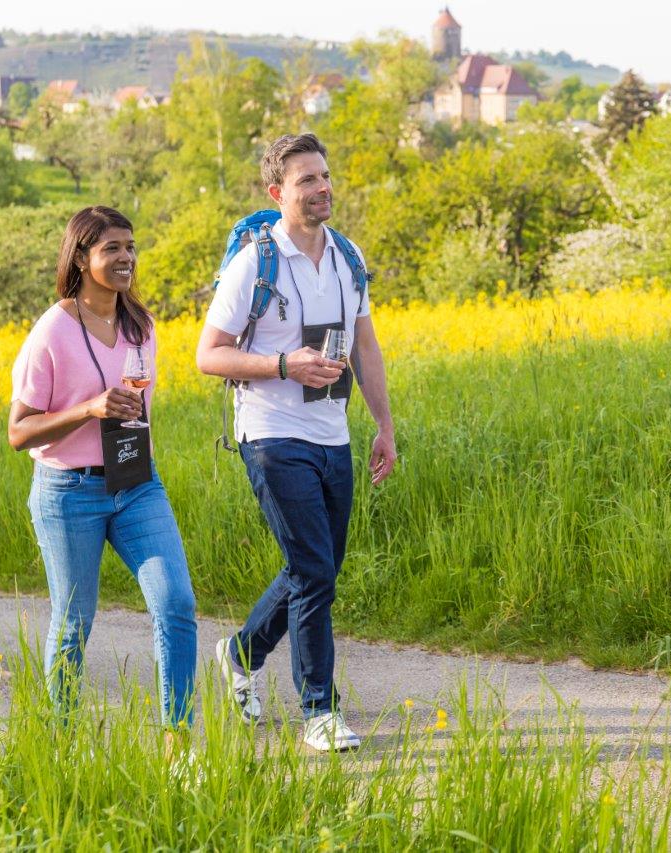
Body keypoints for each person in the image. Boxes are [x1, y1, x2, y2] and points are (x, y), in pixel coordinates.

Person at [196, 133, 397, 751]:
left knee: (318, 568)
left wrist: (385, 427)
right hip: (270, 435)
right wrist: (286, 364)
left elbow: (364, 346)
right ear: (277, 192)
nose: (322, 188)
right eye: (307, 179)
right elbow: (209, 355)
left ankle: (239, 654)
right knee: (314, 571)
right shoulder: (256, 263)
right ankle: (319, 711)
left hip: (331, 432)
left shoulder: (346, 257)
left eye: (326, 176)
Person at [7, 206, 197, 756]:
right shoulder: (52, 330)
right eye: (111, 248)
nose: (125, 258)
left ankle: (177, 747)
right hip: (70, 493)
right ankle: (60, 749)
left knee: (176, 603)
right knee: (72, 625)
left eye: (130, 246)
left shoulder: (142, 326)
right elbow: (18, 431)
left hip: (137, 484)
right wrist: (89, 408)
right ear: (82, 256)